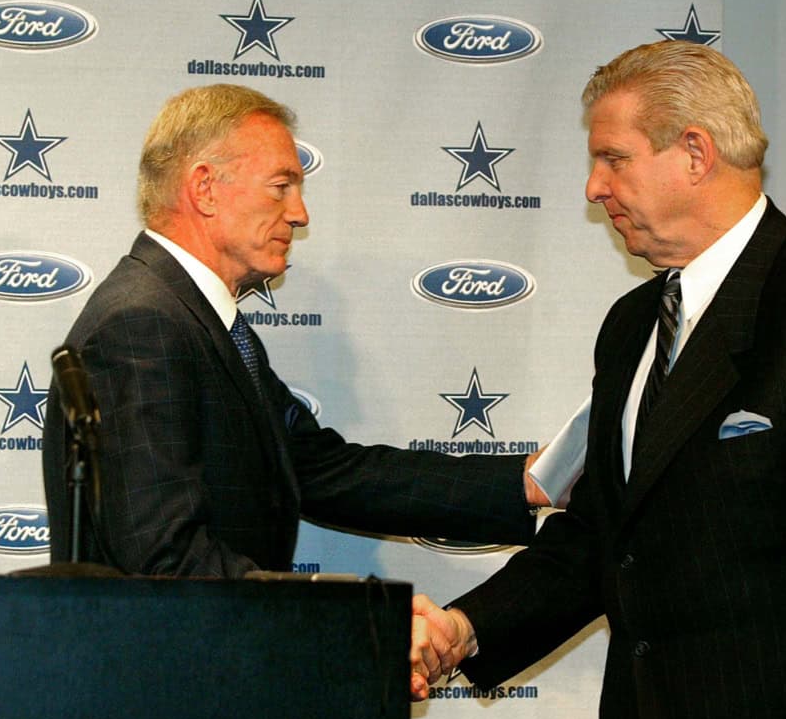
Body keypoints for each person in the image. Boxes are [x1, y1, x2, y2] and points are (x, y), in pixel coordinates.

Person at [411, 41, 786, 719]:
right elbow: (604, 534)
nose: (593, 188)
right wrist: (463, 628)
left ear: (695, 153)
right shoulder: (631, 325)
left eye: (613, 158)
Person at [42, 84, 547, 576]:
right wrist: (330, 614)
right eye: (281, 187)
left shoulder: (195, 318)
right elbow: (163, 557)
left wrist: (524, 481)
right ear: (204, 189)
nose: (299, 214)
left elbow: (323, 469)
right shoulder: (142, 324)